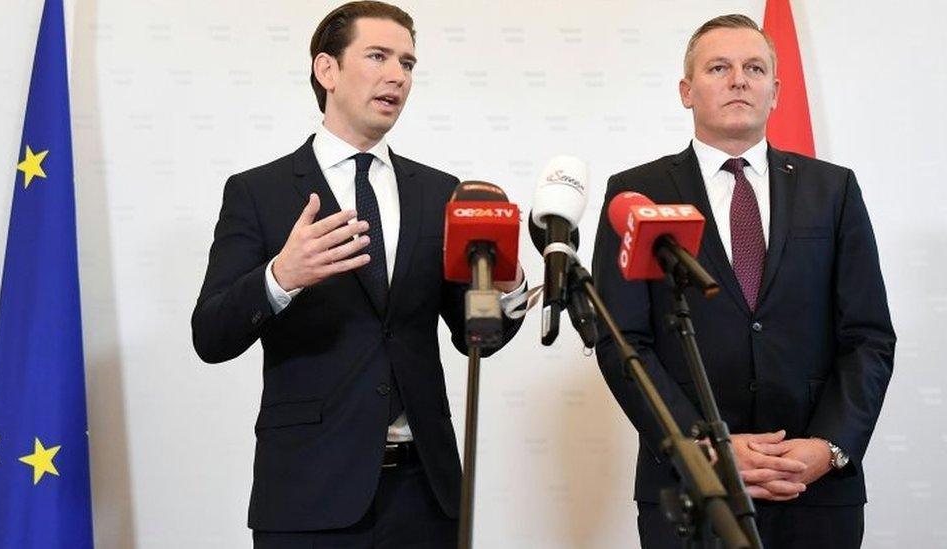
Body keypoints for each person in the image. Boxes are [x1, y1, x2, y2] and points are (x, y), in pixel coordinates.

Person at [191, 2, 525, 546]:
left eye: (409, 63)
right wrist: (281, 276)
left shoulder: (441, 192)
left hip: (427, 494)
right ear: (327, 70)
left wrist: (506, 286)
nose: (398, 75)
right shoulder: (259, 192)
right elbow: (210, 335)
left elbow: (476, 338)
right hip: (308, 493)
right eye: (378, 56)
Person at [592, 14, 894, 549]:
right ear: (687, 91)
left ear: (775, 92)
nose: (738, 80)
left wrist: (827, 448)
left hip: (815, 493)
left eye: (754, 68)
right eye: (718, 67)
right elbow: (623, 345)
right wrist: (703, 445)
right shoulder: (636, 193)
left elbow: (868, 337)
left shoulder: (834, 191)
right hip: (691, 489)